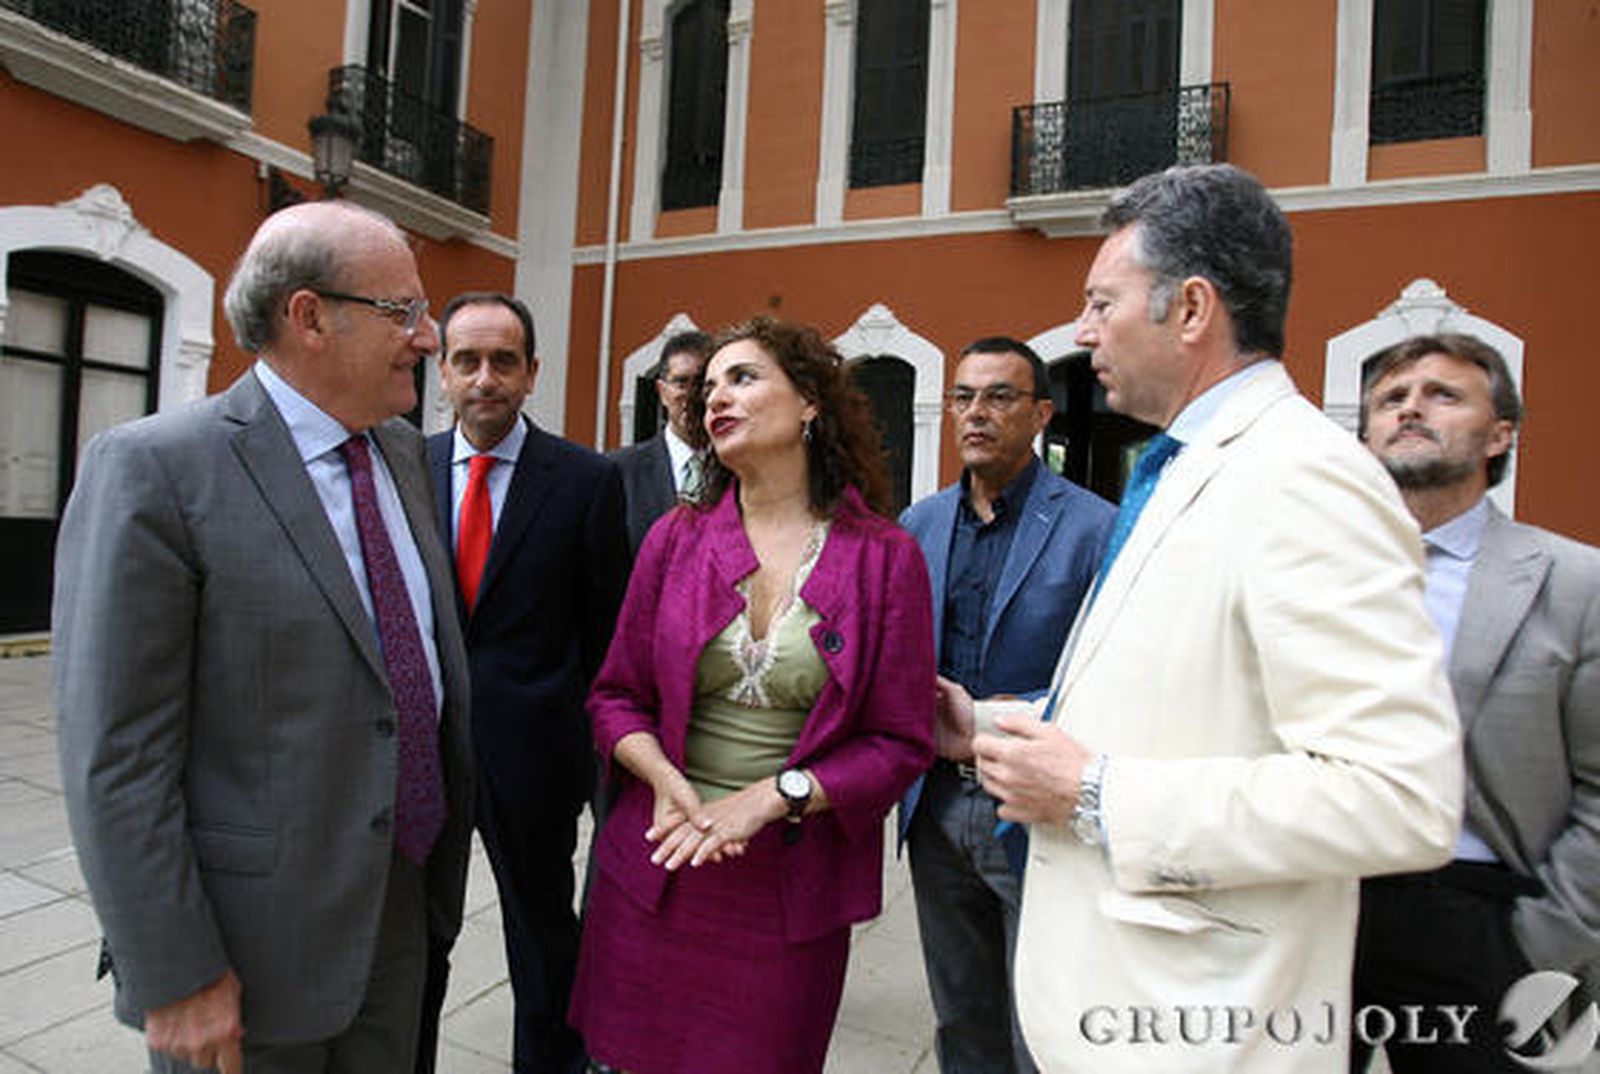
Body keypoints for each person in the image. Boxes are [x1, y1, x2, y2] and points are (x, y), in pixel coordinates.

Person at [965, 164, 1464, 1073]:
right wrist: (984, 726)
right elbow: (1186, 698)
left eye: (1101, 303)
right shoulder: (1189, 464)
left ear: (1191, 309)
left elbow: (1401, 800)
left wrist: (1093, 794)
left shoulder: (1305, 477)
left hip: (1197, 1036)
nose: (1082, 333)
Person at [52, 200, 475, 1073]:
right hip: (245, 956)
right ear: (309, 316)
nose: (428, 338)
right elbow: (116, 753)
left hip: (399, 915)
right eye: (404, 311)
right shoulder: (155, 469)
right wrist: (173, 972)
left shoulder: (401, 455)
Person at [568, 316, 936, 1074]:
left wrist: (777, 794)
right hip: (658, 862)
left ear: (809, 402)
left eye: (742, 377)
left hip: (787, 890)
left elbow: (900, 742)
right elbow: (614, 698)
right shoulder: (676, 538)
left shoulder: (886, 558)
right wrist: (666, 781)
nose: (715, 399)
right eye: (707, 388)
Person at [1352, 333, 1600, 1072]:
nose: (1411, 409)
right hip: (1318, 899)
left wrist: (1542, 942)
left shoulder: (1575, 582)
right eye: (1391, 399)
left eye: (1443, 394)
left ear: (1500, 434)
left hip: (1484, 916)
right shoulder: (1311, 576)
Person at [418, 293, 629, 1073]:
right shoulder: (405, 469)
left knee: (542, 938)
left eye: (503, 361)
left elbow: (607, 633)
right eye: (466, 360)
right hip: (423, 754)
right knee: (414, 942)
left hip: (534, 759)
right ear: (441, 372)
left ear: (532, 372)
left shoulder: (583, 480)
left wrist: (598, 758)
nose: (485, 379)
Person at [898, 337, 1114, 1074]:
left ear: (1042, 413)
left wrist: (993, 717)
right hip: (932, 812)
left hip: (1031, 802)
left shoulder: (1094, 528)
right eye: (963, 396)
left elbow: (1107, 677)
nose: (976, 413)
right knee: (961, 1017)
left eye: (999, 397)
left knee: (1044, 1028)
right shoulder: (919, 525)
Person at [612, 330, 713, 555]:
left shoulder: (740, 471)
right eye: (681, 382)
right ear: (661, 391)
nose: (693, 395)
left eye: (702, 384)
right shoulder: (619, 471)